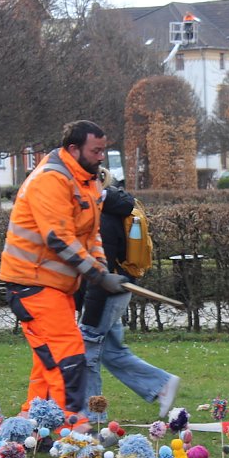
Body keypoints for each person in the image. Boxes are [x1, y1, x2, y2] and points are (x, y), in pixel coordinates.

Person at [0, 121, 128, 433]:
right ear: (73, 149)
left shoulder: (88, 182)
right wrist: (97, 274)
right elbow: (58, 238)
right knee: (68, 354)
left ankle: (32, 425)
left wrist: (102, 271)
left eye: (103, 150)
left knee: (48, 363)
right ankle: (72, 428)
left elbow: (90, 236)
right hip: (32, 282)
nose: (101, 157)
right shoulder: (52, 180)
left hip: (53, 285)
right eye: (95, 150)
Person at [79, 169, 180, 423]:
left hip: (108, 293)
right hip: (119, 290)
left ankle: (91, 418)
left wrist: (88, 317)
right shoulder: (115, 208)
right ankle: (161, 384)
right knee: (111, 352)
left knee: (88, 352)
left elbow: (100, 269)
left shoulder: (102, 217)